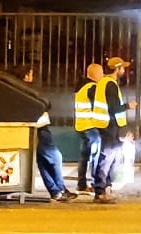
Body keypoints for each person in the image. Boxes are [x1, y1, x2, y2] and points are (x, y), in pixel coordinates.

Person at [19, 63, 70, 200]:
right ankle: (59, 189)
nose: (32, 77)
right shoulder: (27, 91)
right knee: (55, 158)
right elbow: (46, 104)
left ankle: (56, 191)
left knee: (43, 161)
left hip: (35, 129)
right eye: (31, 74)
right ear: (26, 75)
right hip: (40, 129)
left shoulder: (19, 91)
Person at [92, 57, 130, 201]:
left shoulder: (103, 82)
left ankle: (106, 188)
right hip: (109, 126)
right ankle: (100, 191)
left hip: (105, 125)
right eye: (122, 68)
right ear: (117, 68)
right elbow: (114, 108)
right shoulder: (111, 85)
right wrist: (128, 106)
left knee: (110, 158)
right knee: (107, 158)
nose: (124, 70)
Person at [73, 61, 109, 198]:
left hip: (81, 126)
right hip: (90, 127)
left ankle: (81, 184)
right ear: (95, 74)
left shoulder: (82, 86)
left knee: (84, 156)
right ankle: (95, 184)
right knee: (95, 156)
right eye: (101, 72)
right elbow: (100, 106)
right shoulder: (92, 88)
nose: (103, 75)